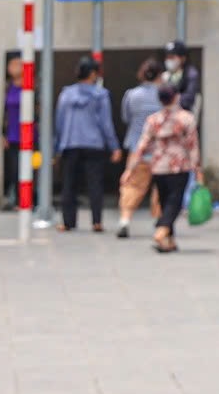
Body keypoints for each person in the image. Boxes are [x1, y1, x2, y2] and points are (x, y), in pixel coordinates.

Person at [133, 83, 201, 253]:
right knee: (174, 202)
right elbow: (192, 145)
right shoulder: (186, 118)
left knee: (164, 202)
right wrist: (197, 167)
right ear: (176, 97)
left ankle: (169, 240)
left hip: (158, 166)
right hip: (179, 165)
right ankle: (161, 229)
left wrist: (131, 167)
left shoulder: (153, 120)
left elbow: (142, 144)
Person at [53, 56, 118, 232]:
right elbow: (106, 123)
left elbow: (59, 121)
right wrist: (114, 146)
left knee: (69, 184)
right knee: (95, 183)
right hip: (94, 144)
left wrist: (57, 145)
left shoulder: (66, 94)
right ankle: (96, 221)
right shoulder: (101, 95)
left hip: (70, 143)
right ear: (93, 74)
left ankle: (68, 222)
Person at [115, 58, 162, 238]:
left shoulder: (131, 95)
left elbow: (126, 117)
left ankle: (125, 220)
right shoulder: (165, 94)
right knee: (161, 188)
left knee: (133, 185)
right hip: (160, 149)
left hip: (137, 147)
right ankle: (160, 222)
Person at [0, 52, 24, 205]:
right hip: (13, 135)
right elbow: (4, 112)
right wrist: (3, 133)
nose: (14, 68)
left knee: (32, 168)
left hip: (30, 136)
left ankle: (32, 199)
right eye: (12, 64)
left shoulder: (32, 86)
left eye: (18, 64)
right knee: (14, 170)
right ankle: (17, 200)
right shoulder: (8, 87)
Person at [159, 43, 201, 113]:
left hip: (184, 114)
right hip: (166, 115)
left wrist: (172, 99)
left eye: (172, 57)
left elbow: (189, 99)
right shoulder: (165, 75)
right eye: (167, 57)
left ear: (183, 58)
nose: (168, 60)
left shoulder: (190, 74)